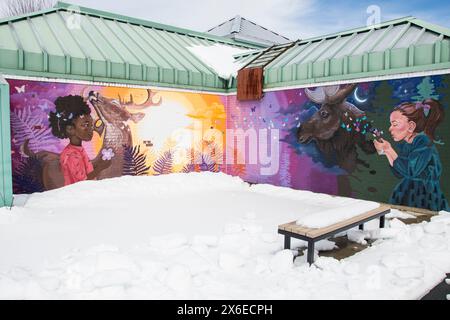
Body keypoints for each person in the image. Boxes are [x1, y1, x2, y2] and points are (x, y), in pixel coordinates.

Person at [374, 99, 449, 211]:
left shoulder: (424, 143)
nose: (390, 129)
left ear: (411, 126)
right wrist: (386, 152)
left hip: (425, 196)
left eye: (395, 124)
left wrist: (389, 150)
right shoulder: (408, 144)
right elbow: (400, 172)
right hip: (409, 192)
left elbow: (411, 170)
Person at [49, 95, 111, 186]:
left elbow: (85, 170)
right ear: (70, 129)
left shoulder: (78, 149)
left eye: (91, 125)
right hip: (77, 196)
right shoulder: (71, 155)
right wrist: (100, 168)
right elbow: (83, 182)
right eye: (85, 125)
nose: (91, 130)